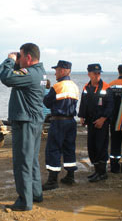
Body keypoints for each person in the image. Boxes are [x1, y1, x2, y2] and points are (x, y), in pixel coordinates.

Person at [0, 43, 47, 211]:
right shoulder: (40, 72)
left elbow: (7, 78)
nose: (18, 58)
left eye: (20, 55)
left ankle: (24, 201)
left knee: (22, 163)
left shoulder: (30, 73)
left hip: (26, 122)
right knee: (31, 160)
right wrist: (17, 62)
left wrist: (9, 60)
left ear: (28, 57)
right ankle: (35, 194)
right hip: (33, 122)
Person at [42, 60, 79, 191]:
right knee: (69, 148)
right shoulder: (75, 86)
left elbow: (46, 102)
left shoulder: (57, 87)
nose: (55, 73)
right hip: (71, 121)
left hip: (58, 121)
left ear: (63, 70)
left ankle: (52, 180)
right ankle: (70, 176)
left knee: (53, 149)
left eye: (56, 70)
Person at [78, 63, 114, 182]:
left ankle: (102, 173)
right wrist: (82, 116)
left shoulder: (106, 88)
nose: (97, 75)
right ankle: (97, 171)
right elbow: (83, 103)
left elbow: (110, 106)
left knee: (101, 147)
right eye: (95, 73)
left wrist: (103, 119)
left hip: (101, 123)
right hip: (91, 122)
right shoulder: (86, 88)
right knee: (92, 147)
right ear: (89, 74)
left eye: (99, 73)